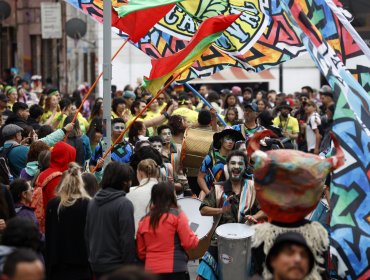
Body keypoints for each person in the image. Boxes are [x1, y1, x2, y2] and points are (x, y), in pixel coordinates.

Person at [197, 150, 264, 280]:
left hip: (247, 242)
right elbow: (203, 210)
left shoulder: (252, 187)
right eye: (233, 163)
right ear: (227, 166)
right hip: (220, 243)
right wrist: (221, 210)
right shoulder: (218, 188)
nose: (236, 166)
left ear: (245, 167)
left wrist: (254, 217)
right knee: (203, 274)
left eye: (240, 163)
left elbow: (266, 210)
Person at [136, 182, 199, 280]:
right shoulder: (178, 215)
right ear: (171, 196)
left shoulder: (144, 220)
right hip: (176, 270)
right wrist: (195, 238)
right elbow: (189, 243)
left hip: (150, 273)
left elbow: (141, 252)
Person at [85, 162, 136, 278]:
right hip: (117, 265)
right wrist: (130, 268)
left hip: (96, 263)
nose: (131, 183)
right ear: (124, 182)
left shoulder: (92, 202)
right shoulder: (124, 204)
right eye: (129, 180)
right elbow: (127, 239)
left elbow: (87, 234)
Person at [45, 162, 91, 280]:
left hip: (58, 263)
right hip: (83, 262)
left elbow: (49, 235)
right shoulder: (88, 204)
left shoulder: (53, 204)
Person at [32, 141, 76, 233]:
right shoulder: (59, 178)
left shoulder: (44, 173)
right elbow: (60, 207)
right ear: (66, 158)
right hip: (53, 226)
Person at [197, 128, 244, 197]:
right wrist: (209, 194)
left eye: (233, 140)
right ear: (221, 140)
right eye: (227, 139)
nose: (230, 142)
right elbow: (200, 178)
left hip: (229, 196)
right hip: (210, 193)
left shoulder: (237, 159)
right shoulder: (211, 156)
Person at [126, 159, 159, 232]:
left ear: (139, 172)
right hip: (162, 237)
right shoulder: (167, 191)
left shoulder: (130, 192)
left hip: (137, 235)